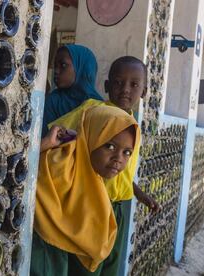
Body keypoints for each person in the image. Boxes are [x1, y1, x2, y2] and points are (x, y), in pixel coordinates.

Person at [48, 56, 160, 275]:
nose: (125, 89)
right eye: (118, 82)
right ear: (107, 86)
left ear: (145, 91)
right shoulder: (93, 112)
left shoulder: (133, 126)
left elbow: (122, 171)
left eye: (134, 84)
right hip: (91, 203)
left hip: (119, 207)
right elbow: (61, 138)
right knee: (87, 266)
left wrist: (139, 193)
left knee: (111, 264)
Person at [31, 105, 140, 276]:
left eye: (127, 152)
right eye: (110, 146)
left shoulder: (92, 179)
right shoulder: (60, 163)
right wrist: (44, 145)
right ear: (91, 137)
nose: (118, 159)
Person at [41, 44, 103, 137]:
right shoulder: (53, 101)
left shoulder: (99, 106)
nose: (56, 71)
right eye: (55, 66)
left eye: (63, 65)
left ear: (82, 67)